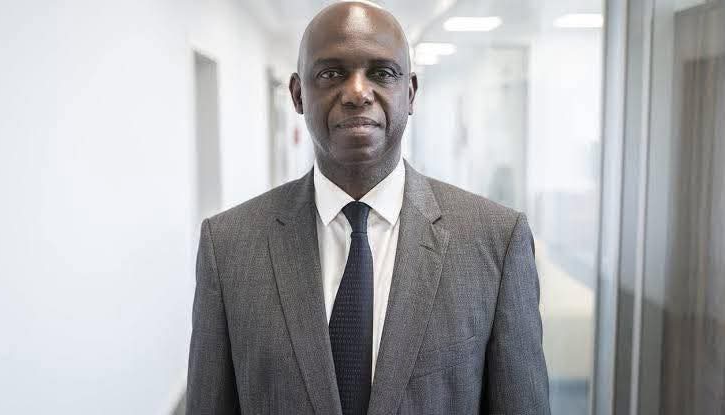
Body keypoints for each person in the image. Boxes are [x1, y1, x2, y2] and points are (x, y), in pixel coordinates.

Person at [186, 1, 549, 413]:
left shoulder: (495, 241)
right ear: (298, 94)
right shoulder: (229, 247)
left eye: (382, 73)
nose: (358, 92)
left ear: (410, 93)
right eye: (331, 73)